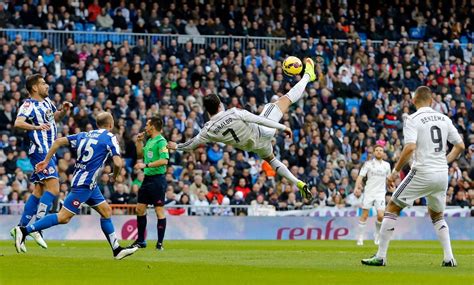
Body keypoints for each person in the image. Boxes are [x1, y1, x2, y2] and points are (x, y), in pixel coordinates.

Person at [167, 58, 317, 200]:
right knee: (282, 101)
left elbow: (190, 145)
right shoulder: (234, 113)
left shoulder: (207, 130)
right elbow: (260, 119)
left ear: (207, 111)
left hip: (253, 147)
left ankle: (297, 181)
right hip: (263, 132)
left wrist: (176, 146)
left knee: (271, 159)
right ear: (220, 105)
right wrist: (282, 127)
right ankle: (308, 75)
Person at [362, 86, 465, 267]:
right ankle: (449, 258)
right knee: (437, 215)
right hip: (441, 174)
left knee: (392, 206)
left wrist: (394, 172)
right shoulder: (444, 118)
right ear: (431, 100)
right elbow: (460, 146)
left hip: (423, 172)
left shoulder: (413, 119)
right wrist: (444, 161)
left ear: (413, 100)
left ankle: (381, 256)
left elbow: (410, 148)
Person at [11, 112, 138, 260]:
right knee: (64, 217)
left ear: (97, 125)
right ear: (111, 125)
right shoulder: (109, 137)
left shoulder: (84, 135)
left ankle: (116, 250)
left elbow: (58, 142)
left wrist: (46, 161)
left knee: (106, 211)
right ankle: (24, 230)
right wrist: (115, 176)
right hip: (84, 184)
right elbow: (117, 162)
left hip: (88, 183)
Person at [11, 74, 72, 251]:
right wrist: (36, 127)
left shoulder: (47, 103)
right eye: (43, 83)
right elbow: (18, 122)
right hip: (40, 150)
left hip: (49, 151)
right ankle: (37, 227)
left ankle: (21, 228)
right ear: (35, 88)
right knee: (54, 189)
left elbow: (54, 118)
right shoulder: (28, 105)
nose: (47, 86)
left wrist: (63, 111)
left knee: (39, 190)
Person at [129, 116, 169, 250]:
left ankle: (160, 243)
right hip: (147, 179)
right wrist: (139, 142)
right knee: (139, 209)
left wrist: (146, 165)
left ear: (152, 126)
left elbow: (164, 161)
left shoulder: (161, 141)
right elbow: (140, 154)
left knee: (159, 210)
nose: (145, 127)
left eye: (147, 125)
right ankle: (141, 241)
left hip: (158, 179)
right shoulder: (150, 140)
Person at [354, 145, 392, 246]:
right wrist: (356, 187)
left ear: (383, 153)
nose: (379, 152)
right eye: (377, 150)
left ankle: (377, 234)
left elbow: (389, 179)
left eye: (381, 150)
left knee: (380, 216)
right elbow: (360, 176)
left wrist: (391, 186)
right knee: (365, 215)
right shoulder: (368, 164)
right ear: (374, 152)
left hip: (380, 194)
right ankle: (360, 237)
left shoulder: (387, 165)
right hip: (369, 193)